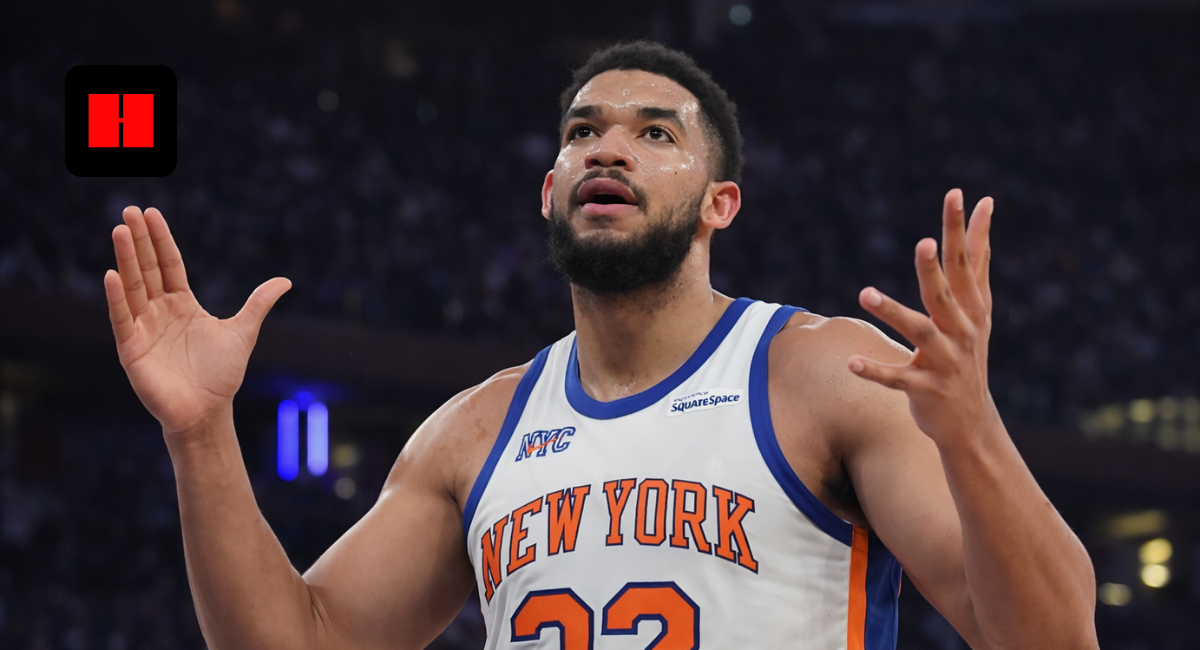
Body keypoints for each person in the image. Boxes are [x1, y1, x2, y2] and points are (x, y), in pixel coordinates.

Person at [103, 41, 1098, 649]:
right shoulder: (472, 430)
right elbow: (302, 642)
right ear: (550, 189)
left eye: (657, 133)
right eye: (583, 132)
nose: (609, 147)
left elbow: (1048, 637)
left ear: (721, 203)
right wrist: (200, 436)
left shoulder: (822, 371)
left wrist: (971, 432)